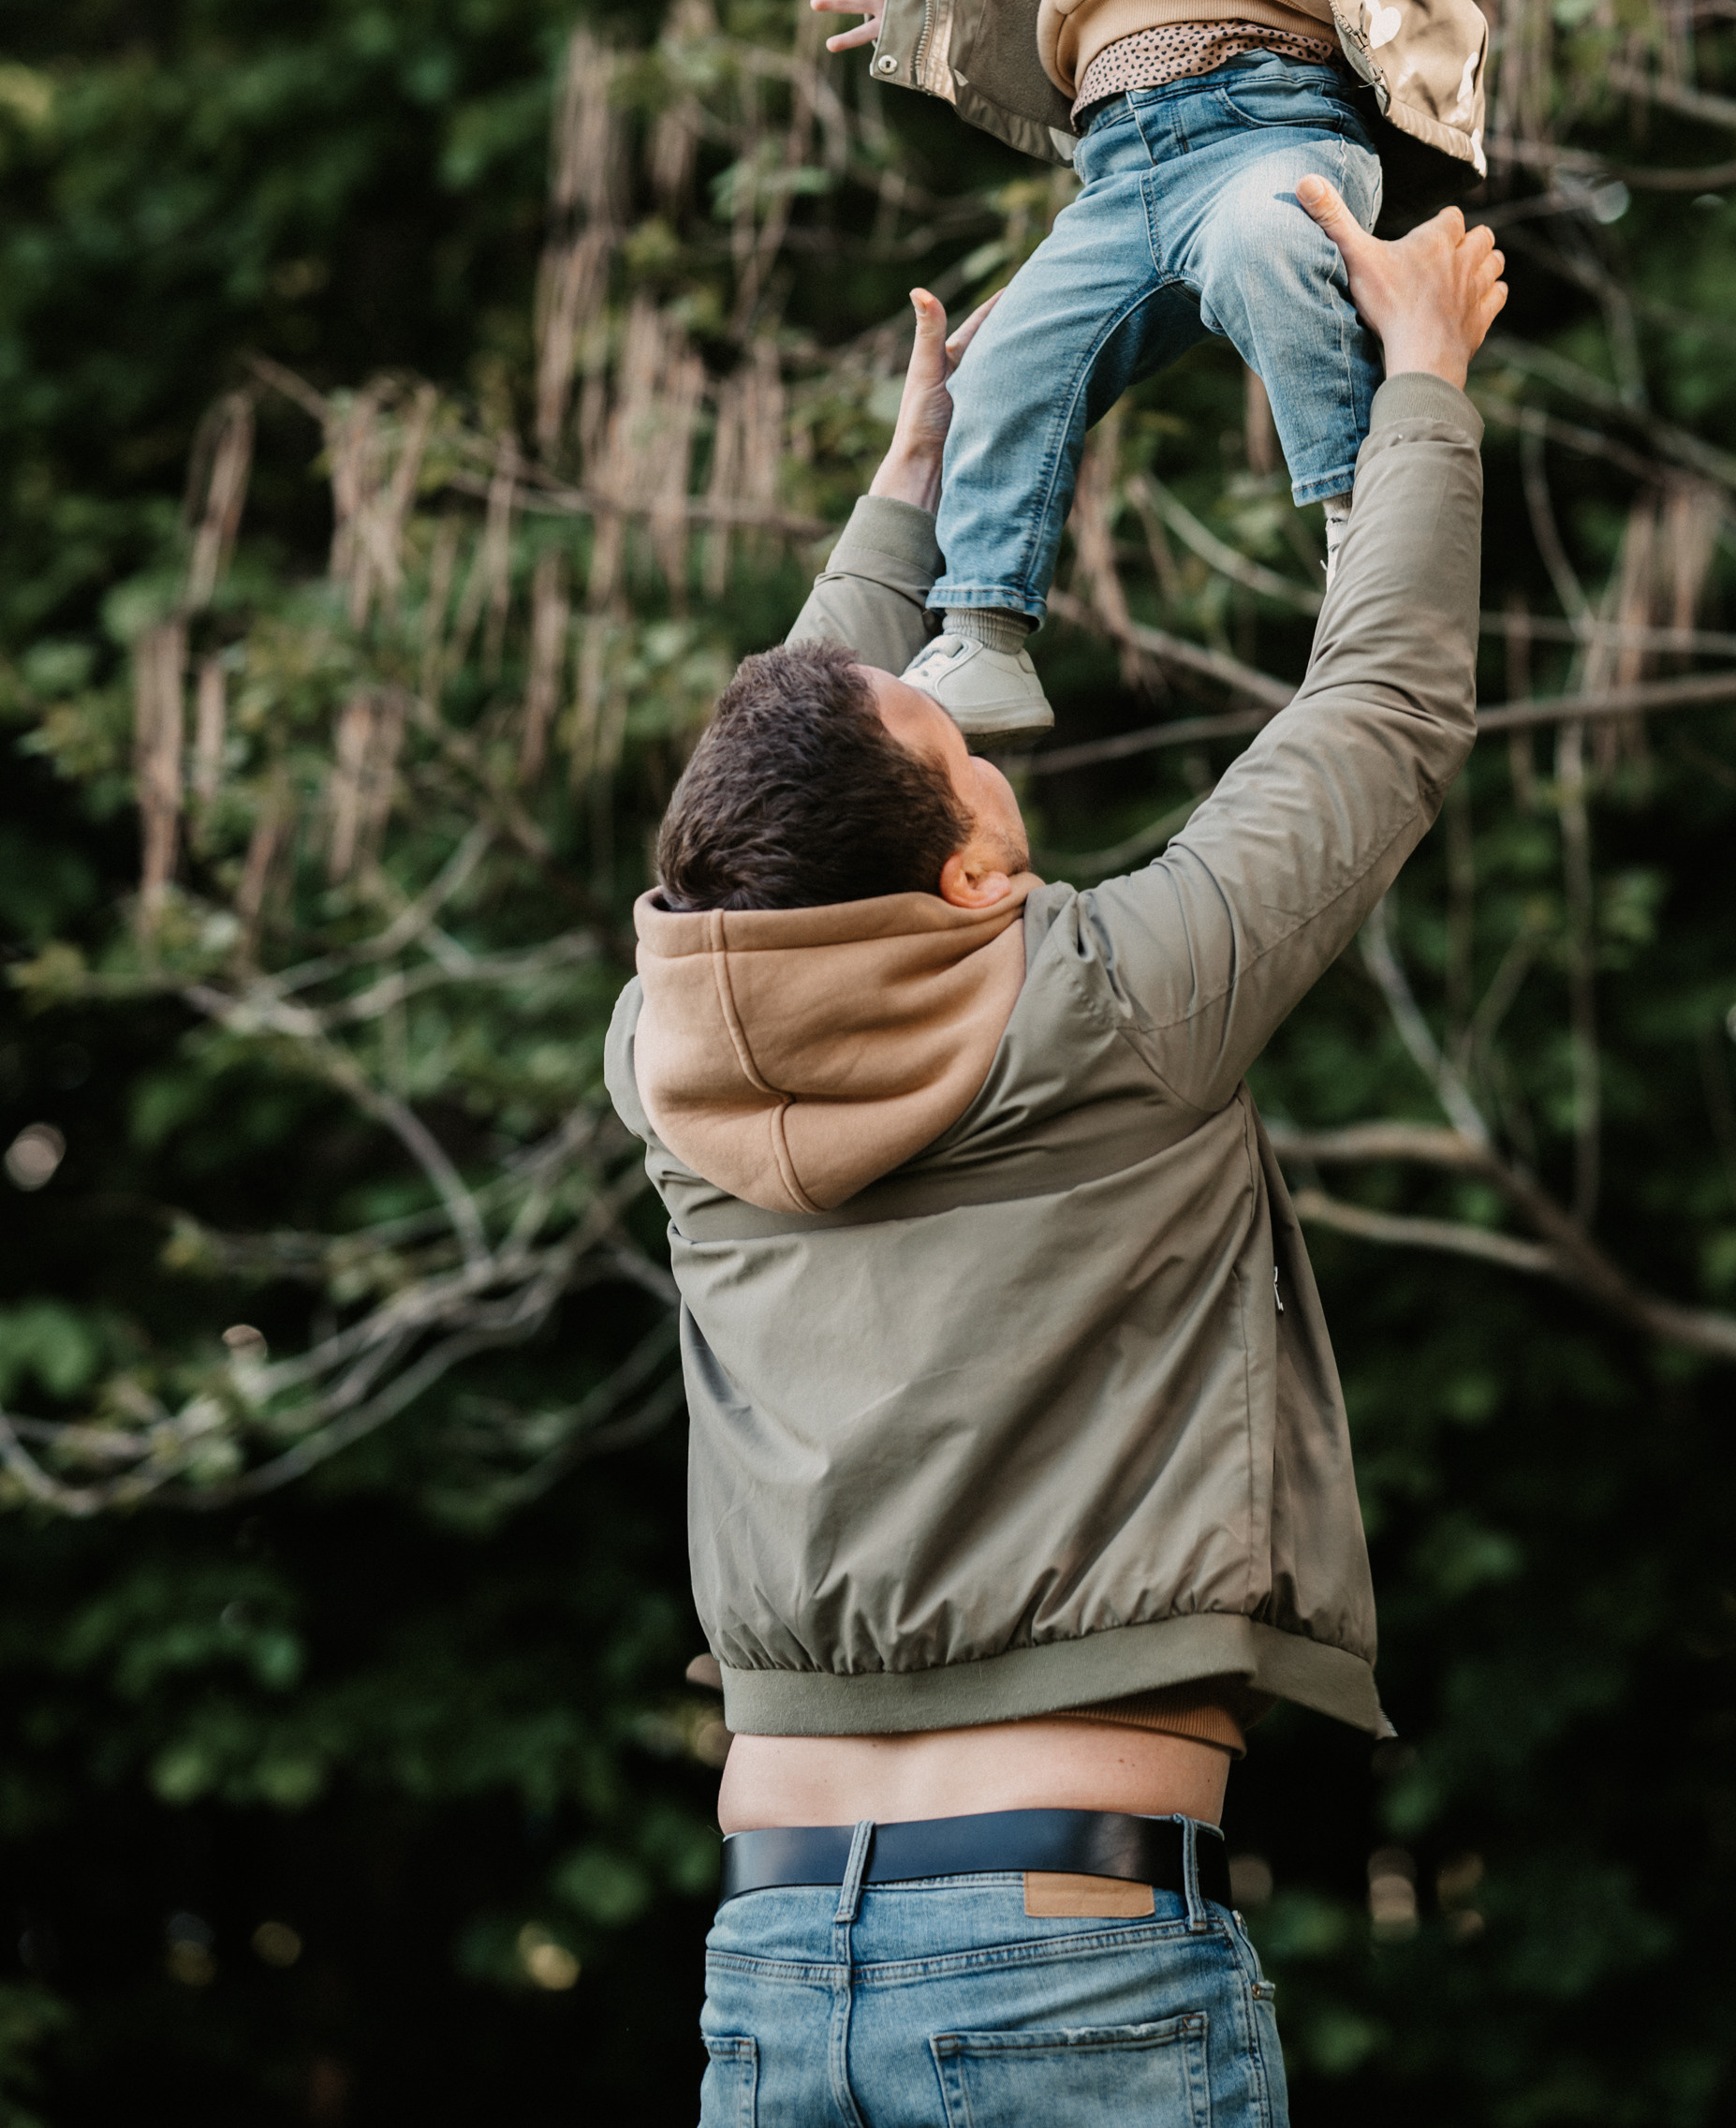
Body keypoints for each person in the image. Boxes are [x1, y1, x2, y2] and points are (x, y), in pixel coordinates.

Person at [605, 184, 1507, 2128]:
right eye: (955, 746)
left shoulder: (668, 1058)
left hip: (767, 1977)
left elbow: (764, 813)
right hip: (1067, 1967)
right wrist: (1422, 379)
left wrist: (915, 485)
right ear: (965, 870)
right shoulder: (1108, 1004)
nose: (962, 714)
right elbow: (1384, 705)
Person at [809, 0, 1526, 746]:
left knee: (1271, 252)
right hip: (1116, 164)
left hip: (1271, 122)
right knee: (1005, 369)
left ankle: (1358, 516)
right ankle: (981, 633)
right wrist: (925, 4)